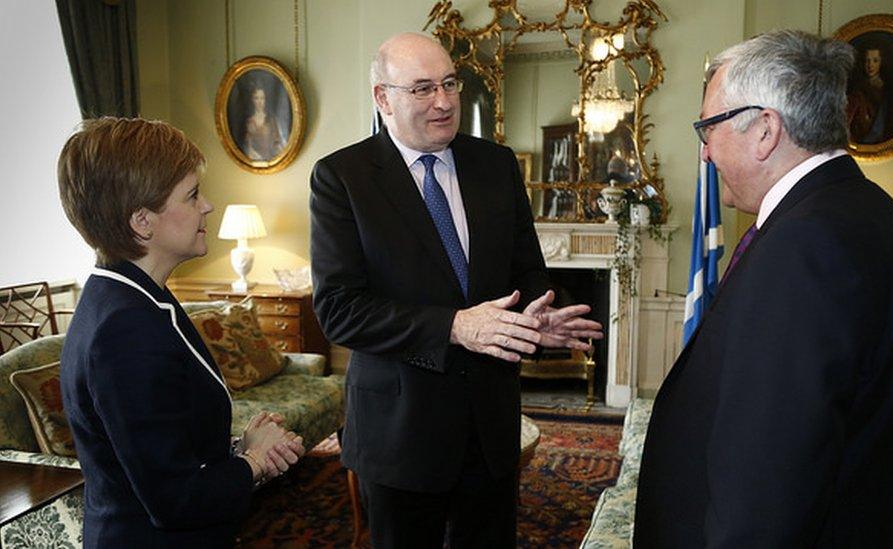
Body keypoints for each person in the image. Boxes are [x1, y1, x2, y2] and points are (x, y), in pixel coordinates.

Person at [633, 30, 893, 547]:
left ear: (766, 129)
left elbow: (769, 481)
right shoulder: (860, 209)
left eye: (708, 127)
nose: (705, 153)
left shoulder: (806, 245)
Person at [309, 32, 603, 548]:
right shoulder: (342, 178)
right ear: (383, 99)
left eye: (449, 83)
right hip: (400, 430)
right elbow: (340, 311)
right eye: (422, 89)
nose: (444, 102)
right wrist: (456, 326)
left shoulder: (495, 165)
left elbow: (527, 271)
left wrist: (538, 315)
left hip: (489, 427)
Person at [57, 117, 305, 547]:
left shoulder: (136, 299)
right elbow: (175, 500)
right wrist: (256, 460)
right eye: (191, 195)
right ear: (142, 222)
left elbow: (161, 449)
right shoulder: (125, 330)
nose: (207, 206)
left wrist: (234, 451)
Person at [846, 42, 893, 144]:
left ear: (881, 62)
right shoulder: (857, 90)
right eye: (867, 61)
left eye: (875, 61)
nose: (870, 65)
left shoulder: (889, 88)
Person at [243, 85, 284, 160]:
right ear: (252, 100)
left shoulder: (271, 120)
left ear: (265, 100)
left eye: (262, 98)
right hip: (254, 161)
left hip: (271, 161)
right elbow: (247, 147)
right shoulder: (248, 122)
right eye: (256, 98)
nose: (259, 102)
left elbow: (277, 143)